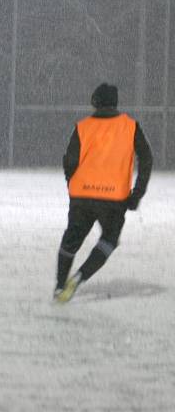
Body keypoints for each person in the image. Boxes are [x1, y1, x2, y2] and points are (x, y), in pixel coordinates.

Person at [54, 83, 153, 303]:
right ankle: (79, 277)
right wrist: (137, 194)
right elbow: (146, 159)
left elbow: (69, 160)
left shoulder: (82, 127)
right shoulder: (130, 126)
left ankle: (60, 287)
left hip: (82, 194)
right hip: (114, 198)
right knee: (109, 240)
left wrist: (72, 185)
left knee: (71, 240)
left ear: (95, 101)